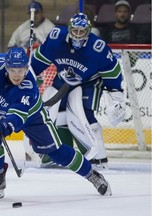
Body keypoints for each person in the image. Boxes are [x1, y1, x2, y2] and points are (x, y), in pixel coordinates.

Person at [0, 47, 112, 200]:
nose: (17, 75)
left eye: (20, 70)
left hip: (33, 118)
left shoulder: (27, 88)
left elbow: (17, 116)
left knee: (57, 153)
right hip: (0, 111)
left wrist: (6, 127)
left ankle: (92, 174)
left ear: (26, 69)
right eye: (13, 70)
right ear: (5, 67)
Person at [30, 13, 126, 170]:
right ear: (69, 29)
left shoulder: (98, 48)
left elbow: (113, 71)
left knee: (85, 116)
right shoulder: (56, 39)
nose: (78, 35)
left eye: (82, 32)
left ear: (88, 31)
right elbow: (39, 60)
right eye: (75, 31)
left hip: (89, 82)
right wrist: (29, 76)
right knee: (58, 114)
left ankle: (98, 159)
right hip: (62, 79)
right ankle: (61, 155)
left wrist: (116, 95)